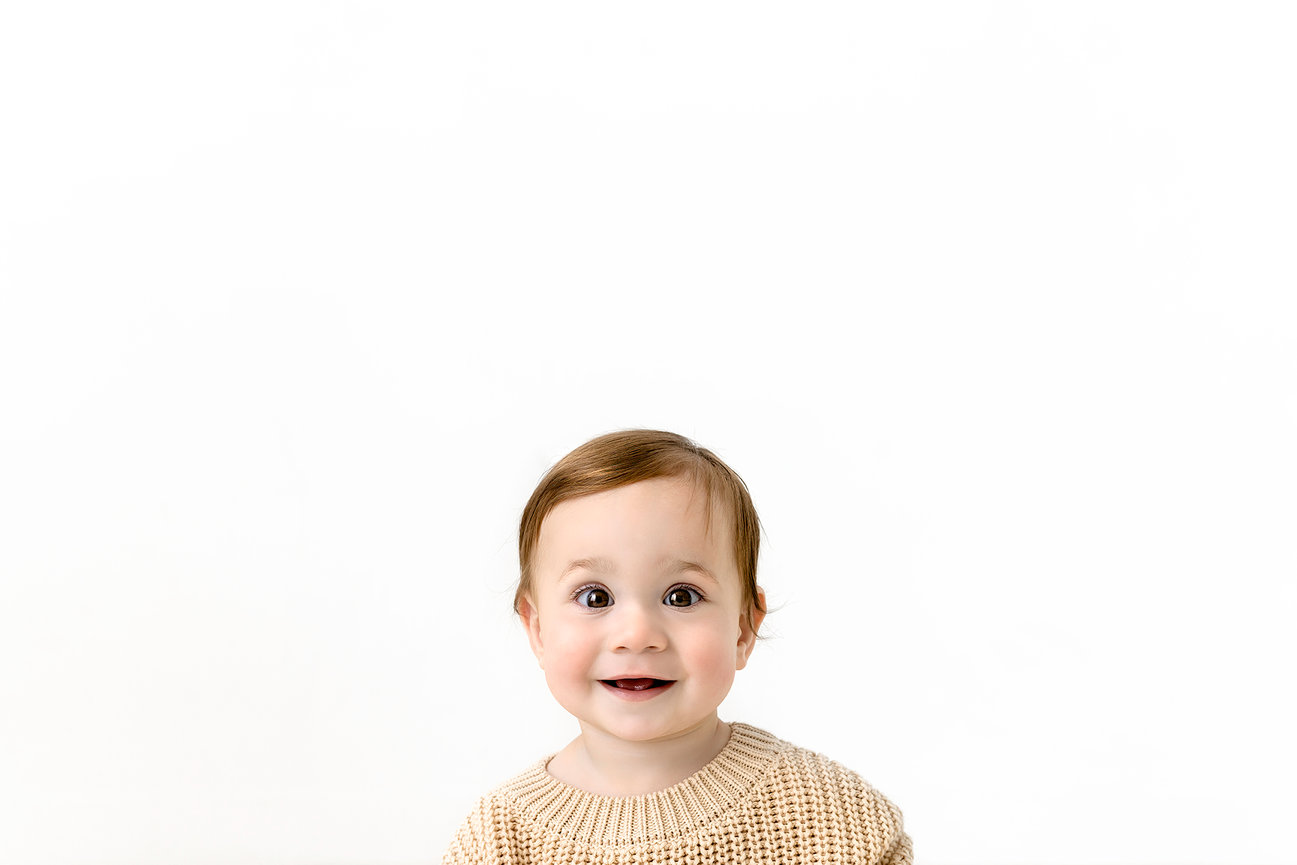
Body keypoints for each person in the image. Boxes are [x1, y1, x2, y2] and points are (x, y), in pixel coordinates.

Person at [441, 429, 912, 864]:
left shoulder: (838, 824)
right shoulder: (499, 841)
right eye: (595, 597)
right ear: (537, 629)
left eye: (681, 596)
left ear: (744, 628)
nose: (636, 634)